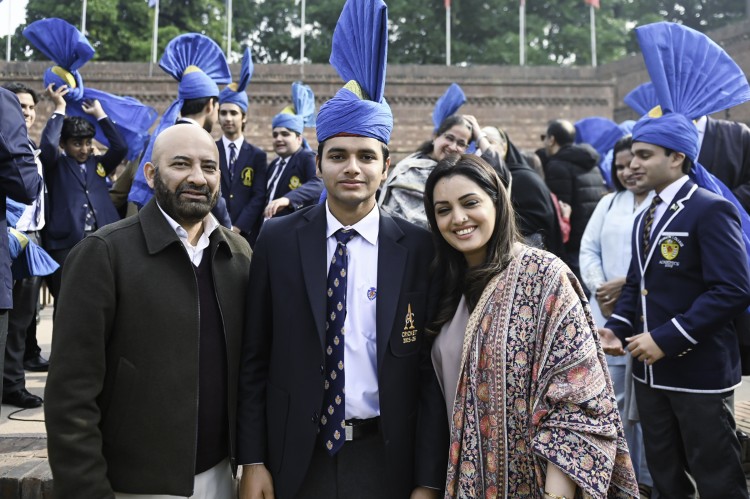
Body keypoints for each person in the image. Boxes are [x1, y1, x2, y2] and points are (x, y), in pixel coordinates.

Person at [236, 0, 447, 497]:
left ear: (385, 166)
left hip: (385, 457)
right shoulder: (278, 239)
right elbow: (254, 358)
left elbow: (430, 375)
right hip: (295, 458)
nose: (352, 167)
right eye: (338, 155)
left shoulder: (418, 249)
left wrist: (427, 480)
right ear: (319, 163)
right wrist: (253, 459)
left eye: (365, 156)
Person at [44, 124, 252, 498]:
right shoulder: (104, 254)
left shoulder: (238, 255)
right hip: (133, 486)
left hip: (222, 477)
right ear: (151, 174)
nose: (197, 177)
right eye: (181, 164)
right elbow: (70, 394)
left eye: (208, 166)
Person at [424, 153, 638, 498]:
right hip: (463, 480)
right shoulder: (439, 283)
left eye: (470, 203)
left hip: (533, 482)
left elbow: (577, 404)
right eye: (443, 209)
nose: (458, 218)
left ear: (497, 202)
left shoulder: (543, 277)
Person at [599, 22, 750, 498]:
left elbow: (733, 289)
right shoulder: (648, 213)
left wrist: (666, 338)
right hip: (650, 372)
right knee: (664, 476)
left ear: (677, 158)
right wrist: (616, 327)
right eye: (632, 156)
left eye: (644, 155)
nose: (632, 165)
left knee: (717, 476)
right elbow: (637, 283)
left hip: (698, 370)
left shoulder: (710, 208)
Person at [579, 135, 655, 494]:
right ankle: (616, 476)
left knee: (648, 406)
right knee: (612, 397)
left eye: (634, 162)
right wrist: (601, 288)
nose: (627, 171)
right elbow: (588, 248)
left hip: (647, 314)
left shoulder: (660, 203)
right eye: (620, 166)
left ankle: (647, 478)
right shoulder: (609, 202)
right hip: (606, 313)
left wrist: (626, 285)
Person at [40, 84, 127, 301]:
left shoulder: (98, 164)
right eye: (77, 144)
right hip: (66, 242)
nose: (85, 149)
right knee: (66, 298)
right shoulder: (55, 165)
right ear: (63, 143)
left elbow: (120, 148)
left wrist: (100, 115)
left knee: (103, 297)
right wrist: (60, 108)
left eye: (88, 143)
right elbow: (48, 146)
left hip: (102, 239)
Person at [1, 82, 49, 409]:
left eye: (30, 107)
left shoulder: (32, 148)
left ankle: (13, 383)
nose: (26, 112)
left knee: (22, 319)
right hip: (9, 236)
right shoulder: (11, 147)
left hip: (32, 239)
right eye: (20, 106)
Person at [379, 113, 508, 230]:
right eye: (449, 138)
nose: (453, 147)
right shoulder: (409, 167)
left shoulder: (458, 175)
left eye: (461, 143)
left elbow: (500, 173)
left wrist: (479, 135)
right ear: (435, 137)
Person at [542, 119, 606, 290]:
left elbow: (559, 211)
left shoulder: (557, 166)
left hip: (572, 245)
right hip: (592, 239)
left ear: (552, 139)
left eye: (544, 137)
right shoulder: (591, 164)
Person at [482, 125, 564, 256]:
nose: (482, 149)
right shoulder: (484, 179)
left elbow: (541, 220)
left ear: (504, 146)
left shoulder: (524, 178)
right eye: (478, 144)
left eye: (489, 142)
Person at [216, 48, 268, 243]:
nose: (228, 118)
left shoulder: (257, 155)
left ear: (244, 117)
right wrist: (222, 225)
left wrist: (237, 228)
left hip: (245, 235)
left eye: (234, 113)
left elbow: (258, 196)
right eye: (223, 113)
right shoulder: (211, 150)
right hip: (213, 230)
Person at [262, 82, 323, 229]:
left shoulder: (306, 158)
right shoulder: (274, 165)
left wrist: (287, 199)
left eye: (285, 134)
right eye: (275, 135)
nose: (278, 139)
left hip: (293, 231)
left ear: (299, 138)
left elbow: (319, 183)